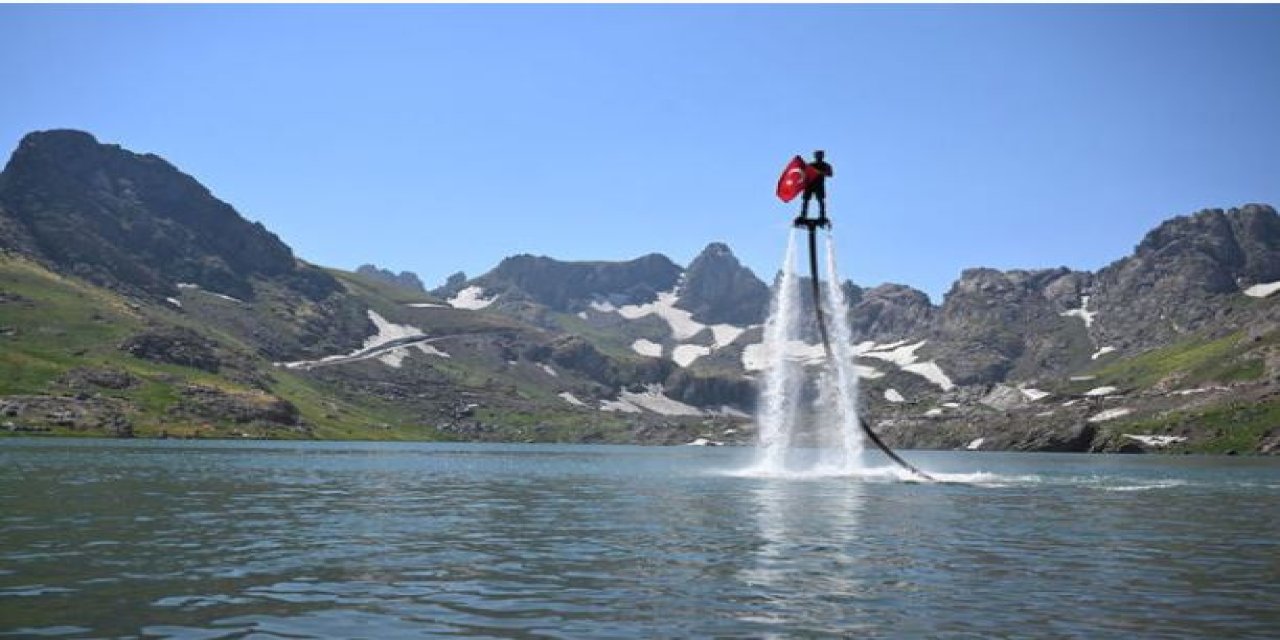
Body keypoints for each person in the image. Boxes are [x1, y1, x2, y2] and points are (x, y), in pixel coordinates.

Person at [794, 150, 834, 228]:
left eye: (820, 155)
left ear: (822, 156)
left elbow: (830, 174)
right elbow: (803, 173)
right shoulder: (810, 165)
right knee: (805, 200)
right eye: (817, 155)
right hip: (809, 184)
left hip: (819, 185)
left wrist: (819, 172)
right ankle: (803, 215)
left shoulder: (825, 165)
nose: (819, 157)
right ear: (815, 156)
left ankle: (822, 215)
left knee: (821, 201)